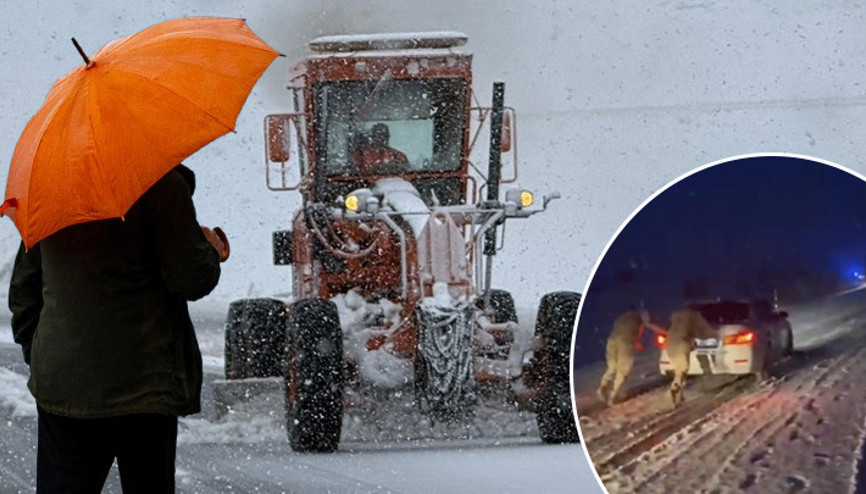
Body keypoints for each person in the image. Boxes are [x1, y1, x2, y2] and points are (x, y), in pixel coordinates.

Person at [9, 164, 228, 494]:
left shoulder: (52, 191)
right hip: (145, 380)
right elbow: (190, 278)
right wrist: (210, 250)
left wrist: (42, 355)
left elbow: (25, 289)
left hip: (66, 384)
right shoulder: (159, 183)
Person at [645, 307, 715, 407]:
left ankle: (679, 396)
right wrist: (715, 335)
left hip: (669, 344)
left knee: (679, 370)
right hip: (682, 344)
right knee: (682, 370)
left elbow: (664, 328)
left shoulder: (675, 317)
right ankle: (671, 394)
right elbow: (705, 329)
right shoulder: (694, 316)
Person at [597, 308, 666, 406]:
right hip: (626, 342)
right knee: (623, 370)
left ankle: (602, 388)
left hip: (612, 340)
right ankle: (614, 396)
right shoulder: (641, 315)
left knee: (612, 367)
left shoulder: (622, 318)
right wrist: (666, 333)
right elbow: (649, 324)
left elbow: (623, 330)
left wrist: (636, 342)